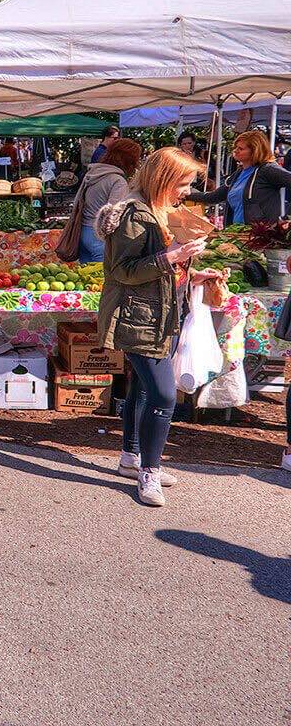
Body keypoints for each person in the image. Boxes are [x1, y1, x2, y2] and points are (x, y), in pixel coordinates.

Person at [95, 147, 223, 507]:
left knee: (141, 388)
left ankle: (131, 458)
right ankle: (149, 472)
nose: (188, 191)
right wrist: (172, 257)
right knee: (164, 395)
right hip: (137, 316)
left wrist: (194, 273)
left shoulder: (163, 212)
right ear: (163, 180)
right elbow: (123, 271)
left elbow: (162, 273)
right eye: (183, 184)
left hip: (162, 313)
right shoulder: (134, 215)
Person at [186, 130, 291, 224]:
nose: (235, 151)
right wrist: (186, 193)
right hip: (238, 234)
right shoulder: (238, 174)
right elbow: (214, 197)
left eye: (241, 148)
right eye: (236, 147)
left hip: (262, 237)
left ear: (255, 151)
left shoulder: (267, 170)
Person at [75, 138, 143, 262]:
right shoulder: (117, 180)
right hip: (99, 237)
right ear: (130, 161)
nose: (138, 163)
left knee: (83, 278)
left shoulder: (94, 174)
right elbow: (114, 214)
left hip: (83, 231)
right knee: (100, 279)